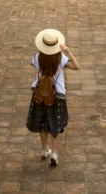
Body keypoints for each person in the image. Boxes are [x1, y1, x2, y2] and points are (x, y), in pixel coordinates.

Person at [25, 28, 80, 167]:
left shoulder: (37, 57)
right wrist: (67, 51)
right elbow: (77, 66)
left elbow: (36, 71)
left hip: (39, 96)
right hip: (57, 96)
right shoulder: (61, 58)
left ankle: (45, 150)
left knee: (42, 124)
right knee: (56, 125)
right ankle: (54, 153)